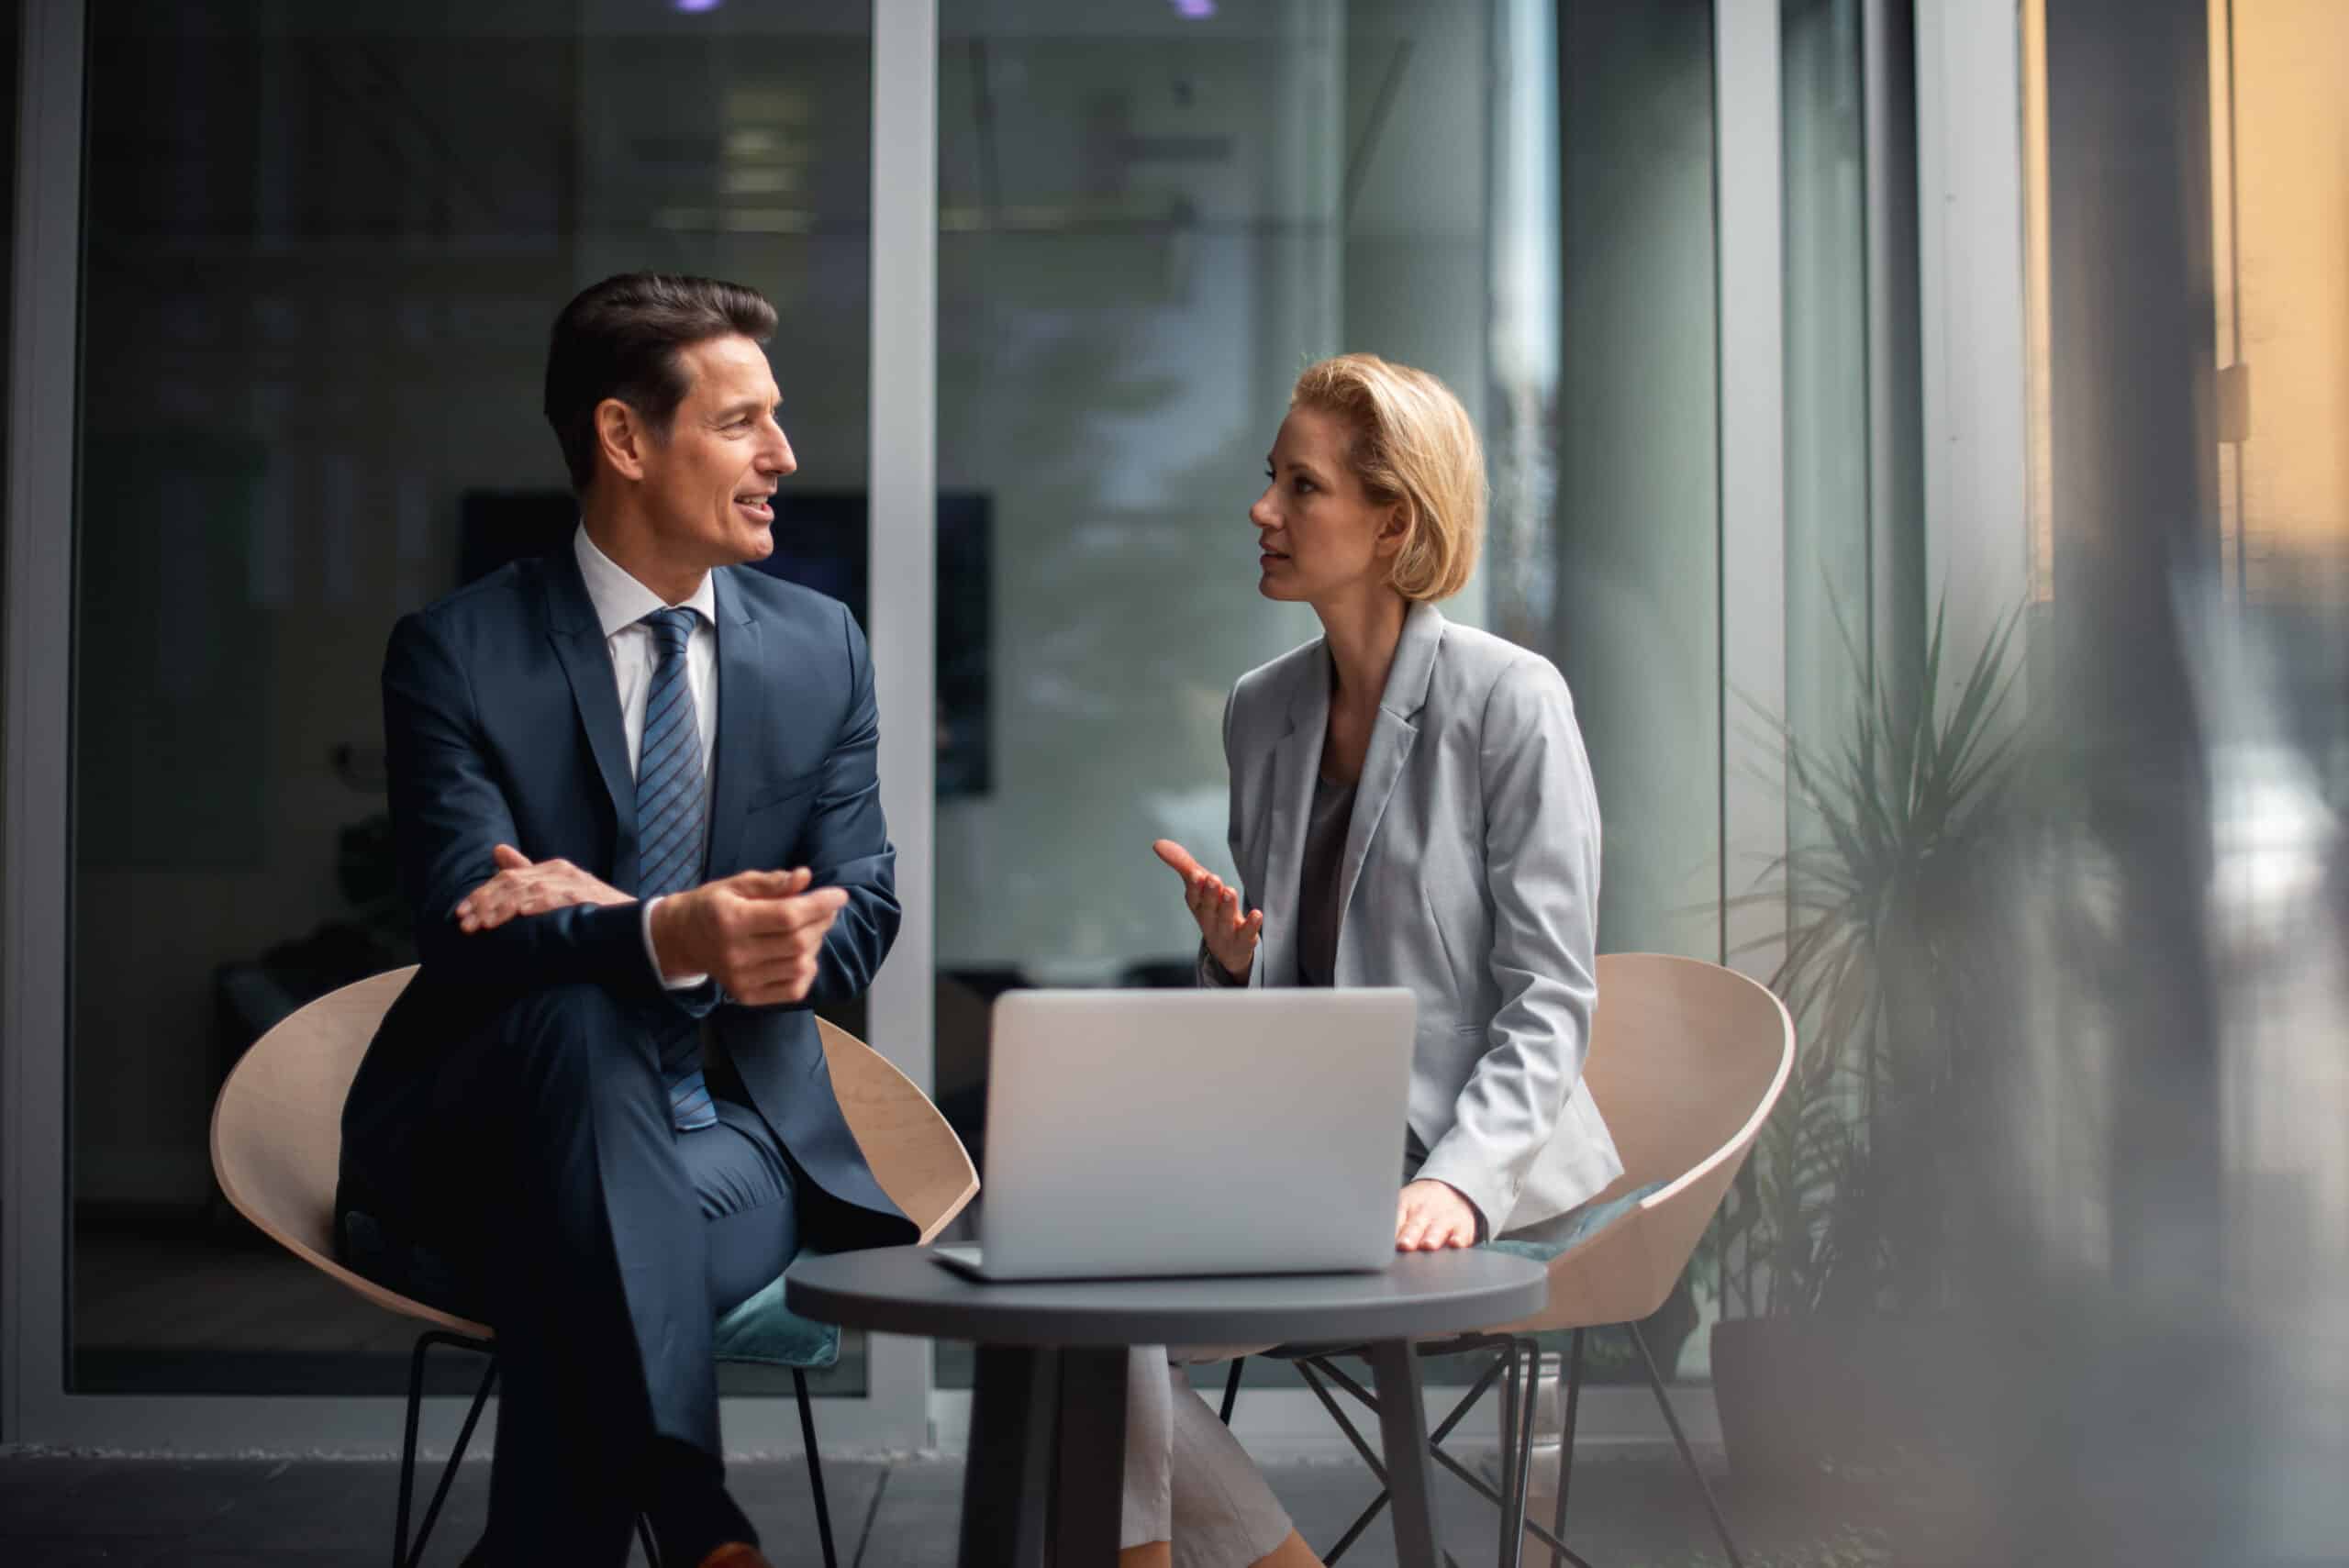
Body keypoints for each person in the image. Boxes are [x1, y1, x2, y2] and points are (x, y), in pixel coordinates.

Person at [335, 272, 913, 1568]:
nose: (785, 456)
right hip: (478, 1132)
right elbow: (462, 922)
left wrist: (680, 931)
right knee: (574, 1017)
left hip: (727, 1139)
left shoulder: (821, 649)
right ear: (623, 438)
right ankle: (685, 1495)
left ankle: (651, 1507)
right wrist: (668, 930)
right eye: (741, 422)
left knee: (577, 1259)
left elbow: (863, 911)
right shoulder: (460, 653)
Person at [1127, 353, 1622, 1568]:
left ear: (1394, 519)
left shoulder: (1513, 702)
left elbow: (1551, 997)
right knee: (1072, 1303)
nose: (1264, 512)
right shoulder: (1262, 709)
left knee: (1106, 1325)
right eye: (1270, 481)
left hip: (1470, 1175)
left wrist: (1457, 1182)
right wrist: (1236, 967)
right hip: (1312, 1156)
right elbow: (1285, 1024)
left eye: (1302, 487)